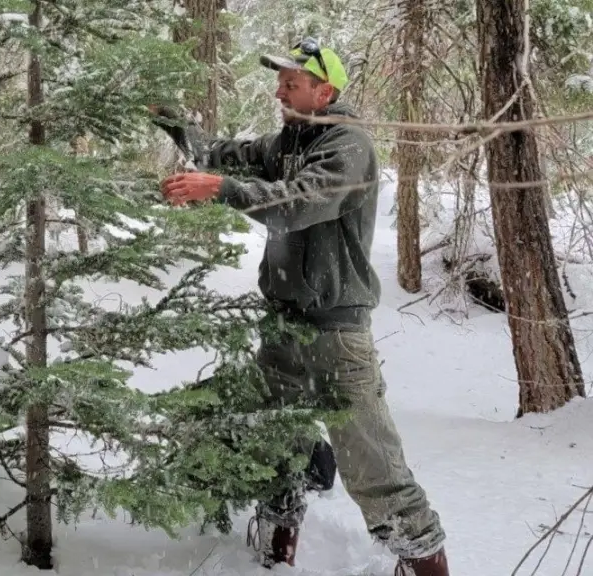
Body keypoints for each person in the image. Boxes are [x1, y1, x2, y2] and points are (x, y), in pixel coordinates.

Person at [149, 38, 450, 576]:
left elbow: (301, 204)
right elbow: (218, 153)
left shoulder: (346, 144)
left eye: (291, 83)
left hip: (336, 334)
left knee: (374, 467)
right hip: (283, 330)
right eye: (279, 81)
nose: (279, 91)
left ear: (324, 91)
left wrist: (220, 189)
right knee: (275, 441)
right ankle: (274, 554)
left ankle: (422, 560)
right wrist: (171, 120)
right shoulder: (287, 140)